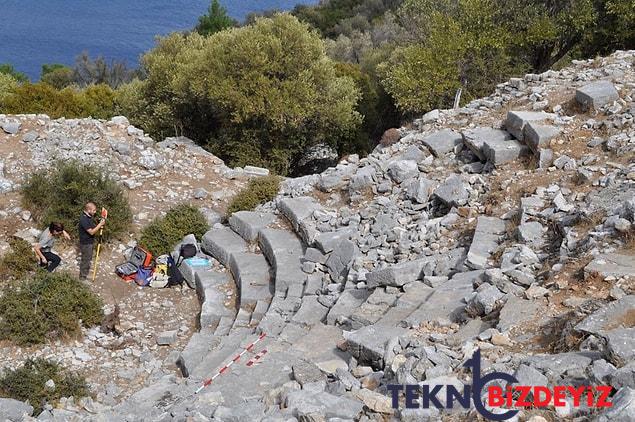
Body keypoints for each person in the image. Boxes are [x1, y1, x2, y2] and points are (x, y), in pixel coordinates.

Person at [78, 202, 105, 280]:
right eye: (94, 210)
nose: (95, 212)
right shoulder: (84, 219)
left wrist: (99, 223)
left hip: (89, 242)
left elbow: (92, 227)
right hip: (86, 243)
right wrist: (100, 225)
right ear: (89, 210)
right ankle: (82, 277)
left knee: (88, 258)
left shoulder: (89, 217)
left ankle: (85, 274)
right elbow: (91, 232)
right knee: (86, 260)